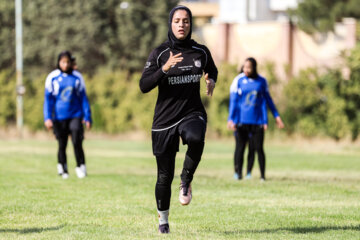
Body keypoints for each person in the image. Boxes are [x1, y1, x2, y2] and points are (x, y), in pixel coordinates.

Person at [139, 5, 218, 234]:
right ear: (170, 24)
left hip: (192, 111)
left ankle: (186, 179)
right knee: (164, 177)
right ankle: (163, 221)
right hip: (164, 121)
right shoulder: (160, 53)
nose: (182, 25)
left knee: (196, 136)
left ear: (190, 24)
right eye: (177, 21)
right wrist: (164, 69)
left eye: (185, 21)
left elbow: (212, 69)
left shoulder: (200, 52)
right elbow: (144, 86)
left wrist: (211, 79)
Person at [227, 57, 284, 181]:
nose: (246, 69)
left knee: (256, 148)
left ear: (254, 68)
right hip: (241, 121)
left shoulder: (262, 82)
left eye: (249, 67)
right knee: (240, 148)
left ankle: (255, 174)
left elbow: (267, 101)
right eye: (244, 67)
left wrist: (276, 116)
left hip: (257, 121)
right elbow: (234, 102)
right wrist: (231, 119)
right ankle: (238, 173)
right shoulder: (238, 80)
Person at [43, 51, 92, 179]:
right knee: (62, 143)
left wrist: (87, 117)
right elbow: (48, 100)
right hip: (59, 117)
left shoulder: (77, 77)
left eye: (67, 62)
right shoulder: (52, 77)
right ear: (59, 63)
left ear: (71, 63)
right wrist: (47, 117)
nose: (65, 64)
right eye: (63, 62)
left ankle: (81, 167)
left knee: (77, 140)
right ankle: (62, 168)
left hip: (75, 114)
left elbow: (83, 98)